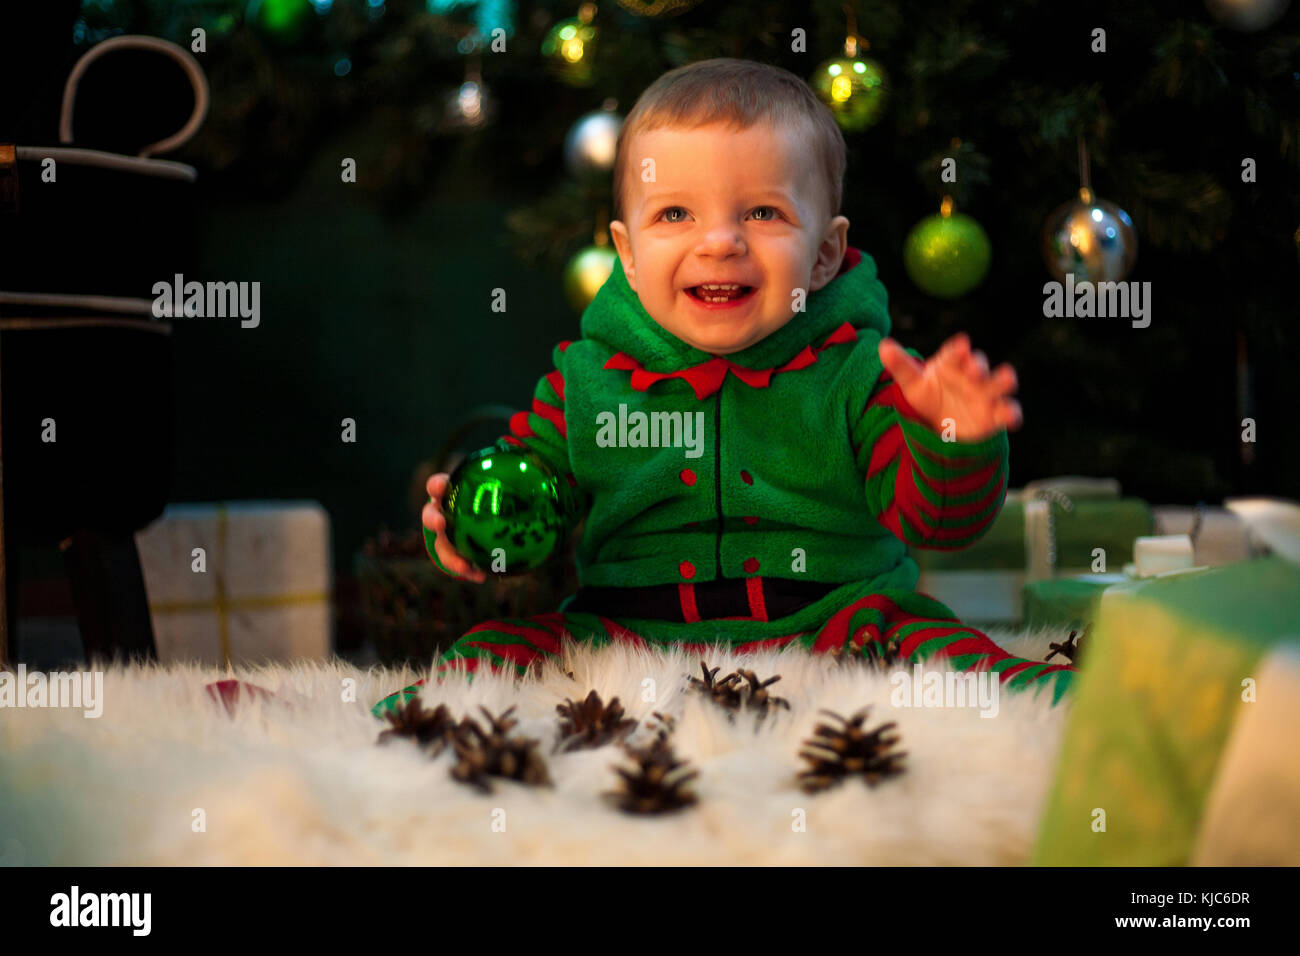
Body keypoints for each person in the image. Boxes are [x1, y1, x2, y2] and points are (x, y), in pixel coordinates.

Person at [373, 58, 1075, 717]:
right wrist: (475, 533)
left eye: (762, 214)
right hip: (629, 634)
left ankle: (1098, 707)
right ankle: (374, 731)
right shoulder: (584, 382)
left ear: (825, 254)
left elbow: (940, 523)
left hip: (837, 625)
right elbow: (533, 504)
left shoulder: (865, 373)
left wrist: (951, 438)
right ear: (628, 252)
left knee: (944, 652)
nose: (720, 243)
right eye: (675, 215)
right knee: (493, 655)